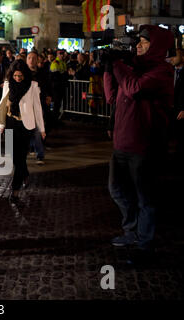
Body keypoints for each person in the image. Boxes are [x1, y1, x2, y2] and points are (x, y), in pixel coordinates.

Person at [103, 25, 174, 263]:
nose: (138, 45)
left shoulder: (162, 71)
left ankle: (145, 245)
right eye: (139, 41)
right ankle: (131, 230)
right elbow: (112, 97)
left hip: (144, 147)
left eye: (145, 42)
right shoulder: (134, 68)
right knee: (117, 190)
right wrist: (108, 67)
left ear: (158, 47)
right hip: (121, 144)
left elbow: (133, 89)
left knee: (146, 198)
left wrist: (117, 63)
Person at [0, 59, 45, 202]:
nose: (17, 79)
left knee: (21, 157)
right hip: (11, 123)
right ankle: (25, 173)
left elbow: (37, 108)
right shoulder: (7, 84)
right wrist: (1, 125)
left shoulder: (33, 86)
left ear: (25, 75)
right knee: (14, 157)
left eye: (20, 76)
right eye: (15, 76)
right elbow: (3, 105)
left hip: (26, 126)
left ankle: (15, 191)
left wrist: (41, 128)